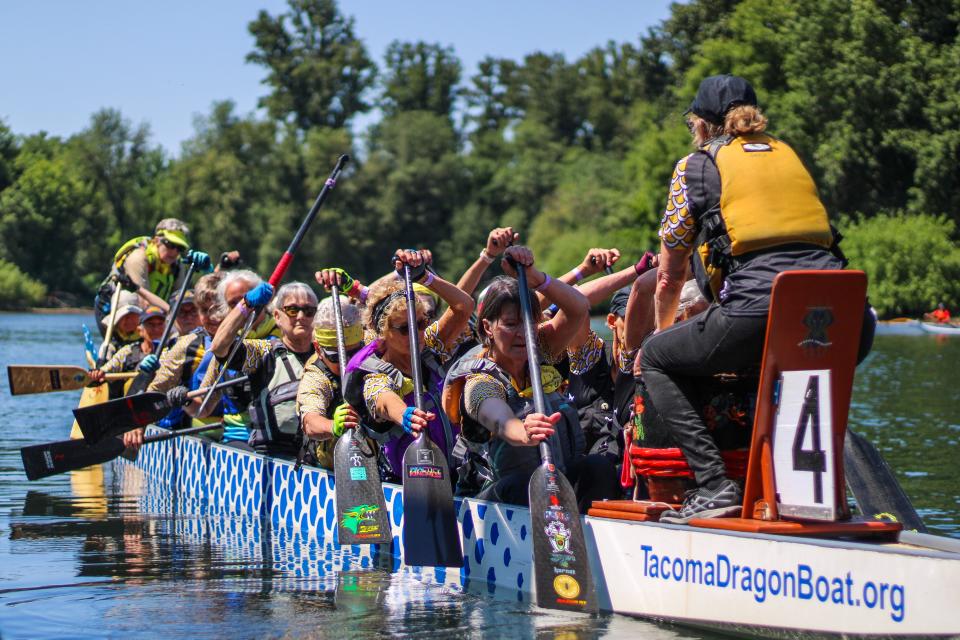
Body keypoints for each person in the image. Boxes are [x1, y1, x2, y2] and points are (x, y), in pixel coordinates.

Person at [640, 74, 874, 524]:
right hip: (848, 320)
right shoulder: (788, 154)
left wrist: (664, 335)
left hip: (760, 315)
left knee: (656, 358)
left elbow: (669, 277)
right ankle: (805, 489)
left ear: (703, 127)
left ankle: (714, 487)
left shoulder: (695, 166)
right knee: (789, 362)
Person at [442, 246, 619, 511]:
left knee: (596, 466)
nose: (522, 334)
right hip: (491, 501)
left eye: (528, 323)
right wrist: (522, 432)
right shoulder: (479, 379)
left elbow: (578, 307)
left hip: (550, 485)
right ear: (488, 327)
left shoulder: (541, 349)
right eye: (511, 324)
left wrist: (535, 276)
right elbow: (498, 417)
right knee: (521, 484)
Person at [342, 249, 475, 481]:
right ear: (382, 333)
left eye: (421, 323)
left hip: (456, 477)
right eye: (404, 329)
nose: (417, 333)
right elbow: (381, 399)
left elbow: (464, 305)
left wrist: (424, 277)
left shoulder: (430, 347)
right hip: (407, 484)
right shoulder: (375, 375)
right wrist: (404, 414)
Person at [199, 281, 319, 455]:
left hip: (312, 459)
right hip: (272, 459)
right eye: (292, 310)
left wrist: (356, 292)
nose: (301, 316)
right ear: (277, 316)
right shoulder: (263, 351)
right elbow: (219, 347)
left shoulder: (325, 355)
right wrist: (246, 304)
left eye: (308, 311)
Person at [94, 219, 211, 332]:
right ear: (156, 241)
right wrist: (173, 316)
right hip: (115, 310)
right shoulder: (138, 258)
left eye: (179, 248)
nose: (174, 252)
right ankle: (120, 345)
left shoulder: (177, 264)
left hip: (155, 310)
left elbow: (179, 301)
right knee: (129, 298)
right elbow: (144, 302)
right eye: (170, 245)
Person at [295, 293, 364, 469]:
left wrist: (357, 289)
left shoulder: (369, 344)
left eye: (354, 353)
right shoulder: (316, 375)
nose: (347, 362)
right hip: (330, 467)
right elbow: (310, 422)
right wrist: (333, 426)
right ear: (318, 348)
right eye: (336, 356)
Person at [89, 305, 169, 384]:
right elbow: (106, 369)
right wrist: (97, 374)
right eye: (151, 324)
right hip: (131, 394)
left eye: (160, 324)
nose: (156, 329)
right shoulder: (128, 351)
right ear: (139, 330)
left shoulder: (170, 351)